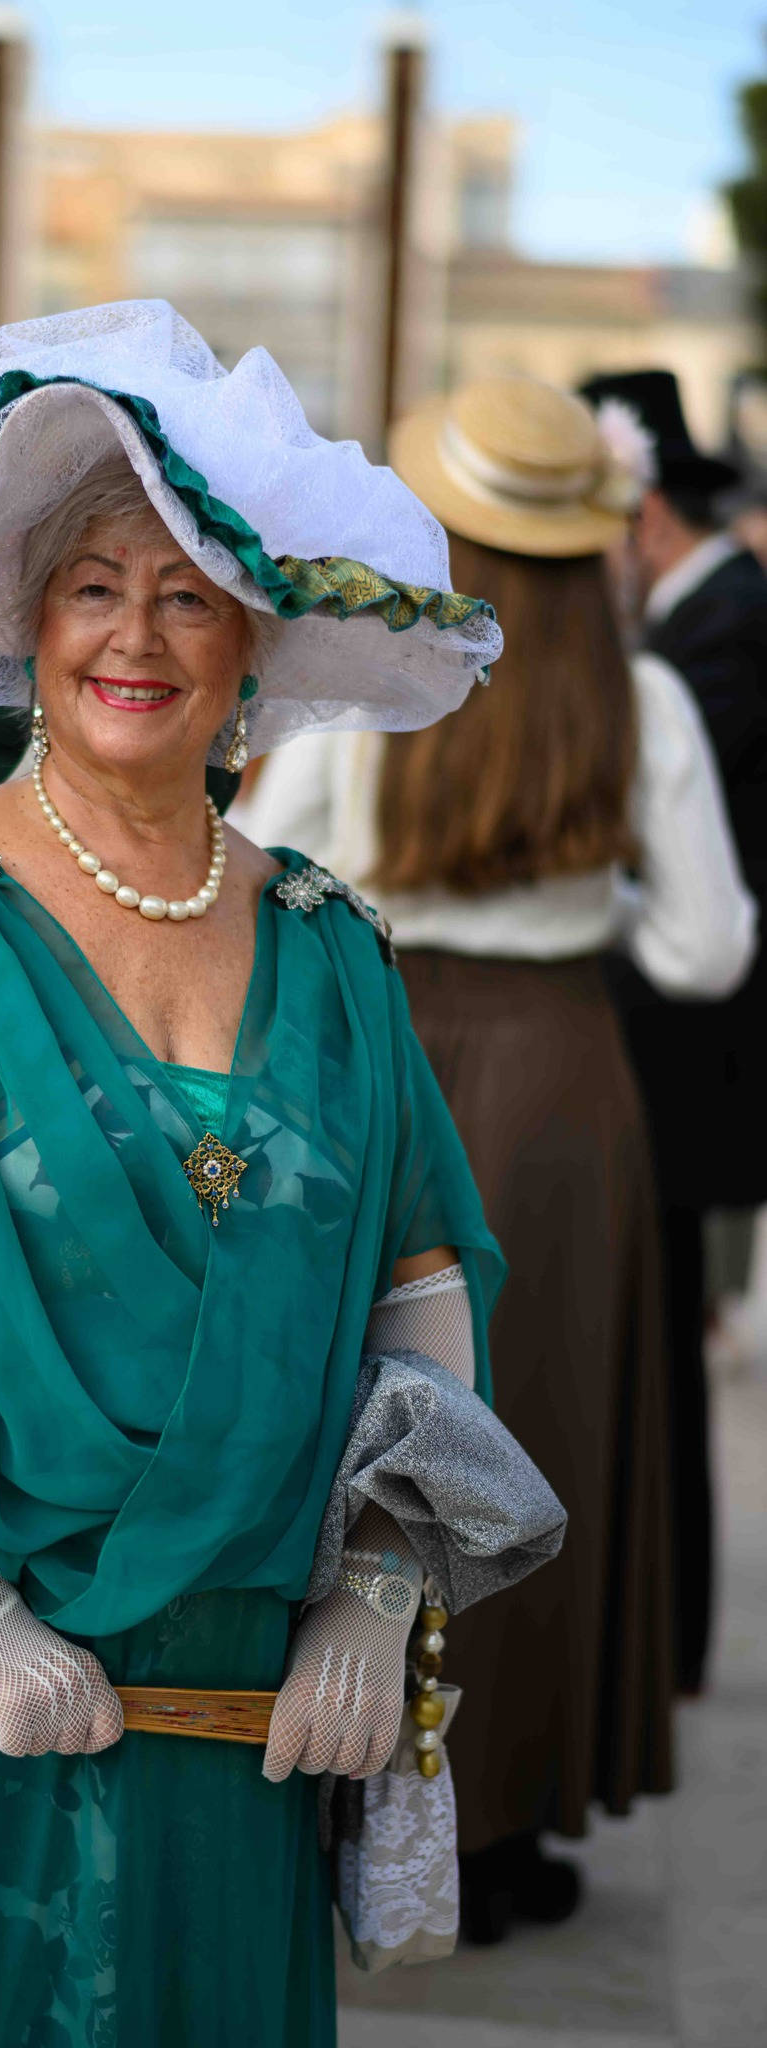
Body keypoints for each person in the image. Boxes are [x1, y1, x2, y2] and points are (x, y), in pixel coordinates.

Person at [0, 301, 565, 2047]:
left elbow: (421, 1284)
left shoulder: (332, 945)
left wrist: (373, 1596)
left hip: (240, 1674)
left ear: (252, 644)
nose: (135, 633)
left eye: (187, 594)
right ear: (27, 628)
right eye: (94, 586)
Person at [236, 374, 756, 1943]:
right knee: (541, 1430)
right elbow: (707, 950)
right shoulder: (641, 697)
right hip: (560, 1082)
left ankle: (339, 1785)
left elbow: (270, 874)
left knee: (363, 1424)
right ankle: (505, 1824)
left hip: (380, 1063)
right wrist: (586, 904)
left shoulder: (370, 671)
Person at [580, 369, 767, 1691]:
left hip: (690, 1047)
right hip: (682, 1032)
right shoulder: (710, 619)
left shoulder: (720, 637)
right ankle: (664, 1632)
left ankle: (668, 1633)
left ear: (635, 513)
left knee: (656, 1363)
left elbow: (697, 902)